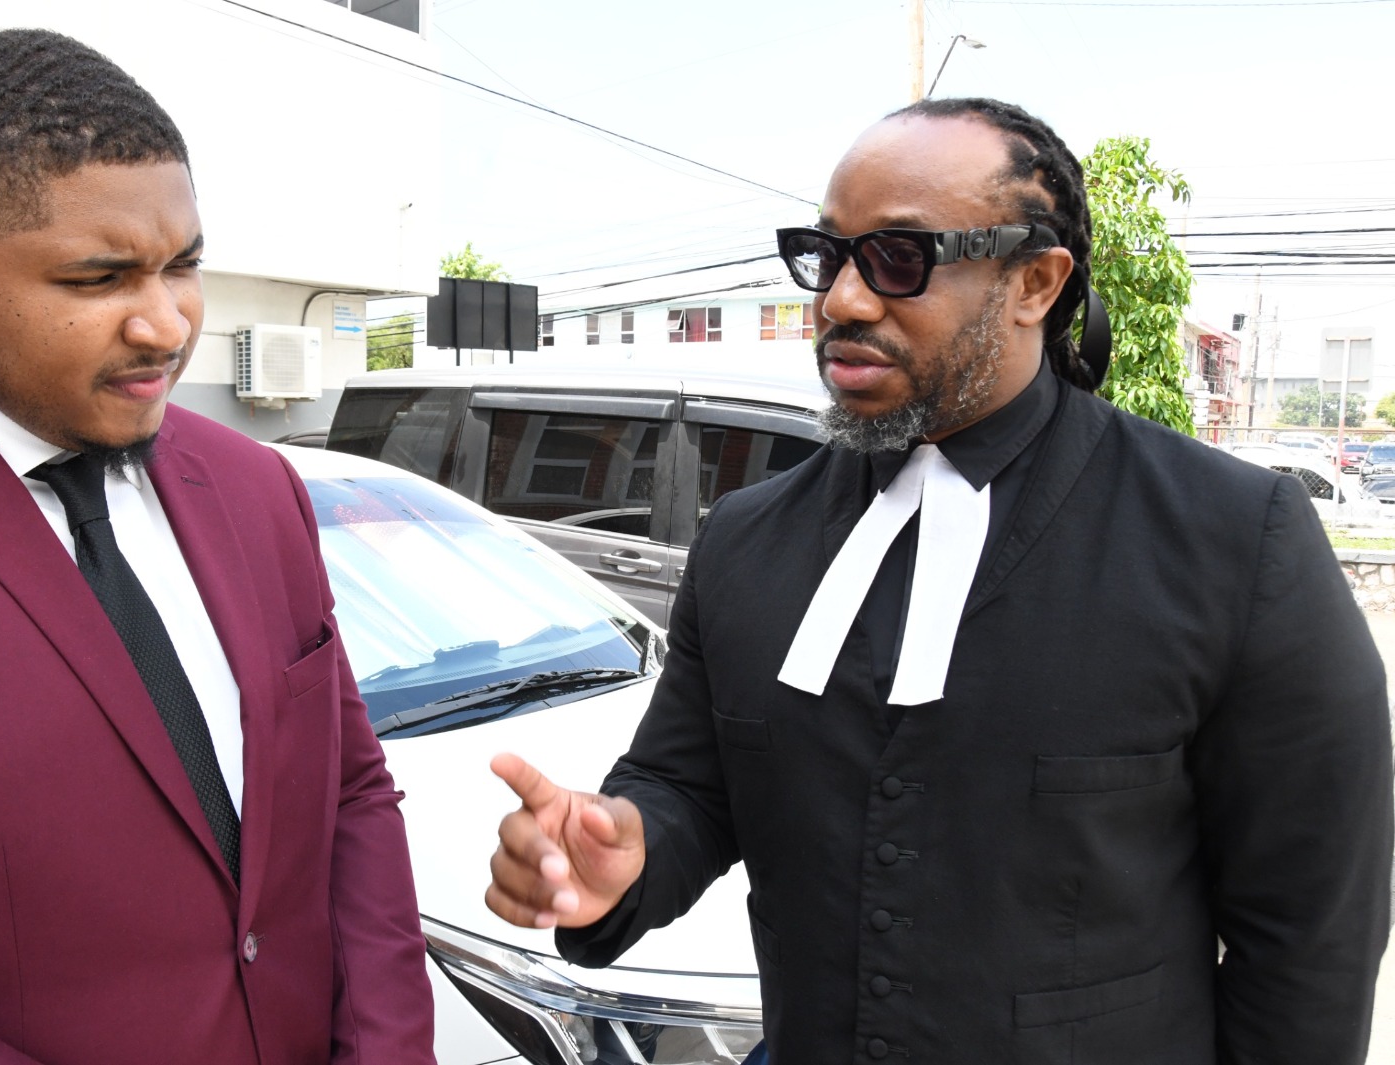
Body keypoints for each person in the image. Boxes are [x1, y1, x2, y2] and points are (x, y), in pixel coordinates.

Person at [486, 97, 1392, 1063]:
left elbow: (1308, 939)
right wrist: (621, 845)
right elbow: (688, 785)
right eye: (828, 255)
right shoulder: (747, 538)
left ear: (1034, 282)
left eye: (898, 258)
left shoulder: (1233, 538)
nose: (841, 300)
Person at [0, 28, 435, 1064]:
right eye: (99, 279)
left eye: (184, 266)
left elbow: (350, 802)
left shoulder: (258, 487)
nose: (166, 326)